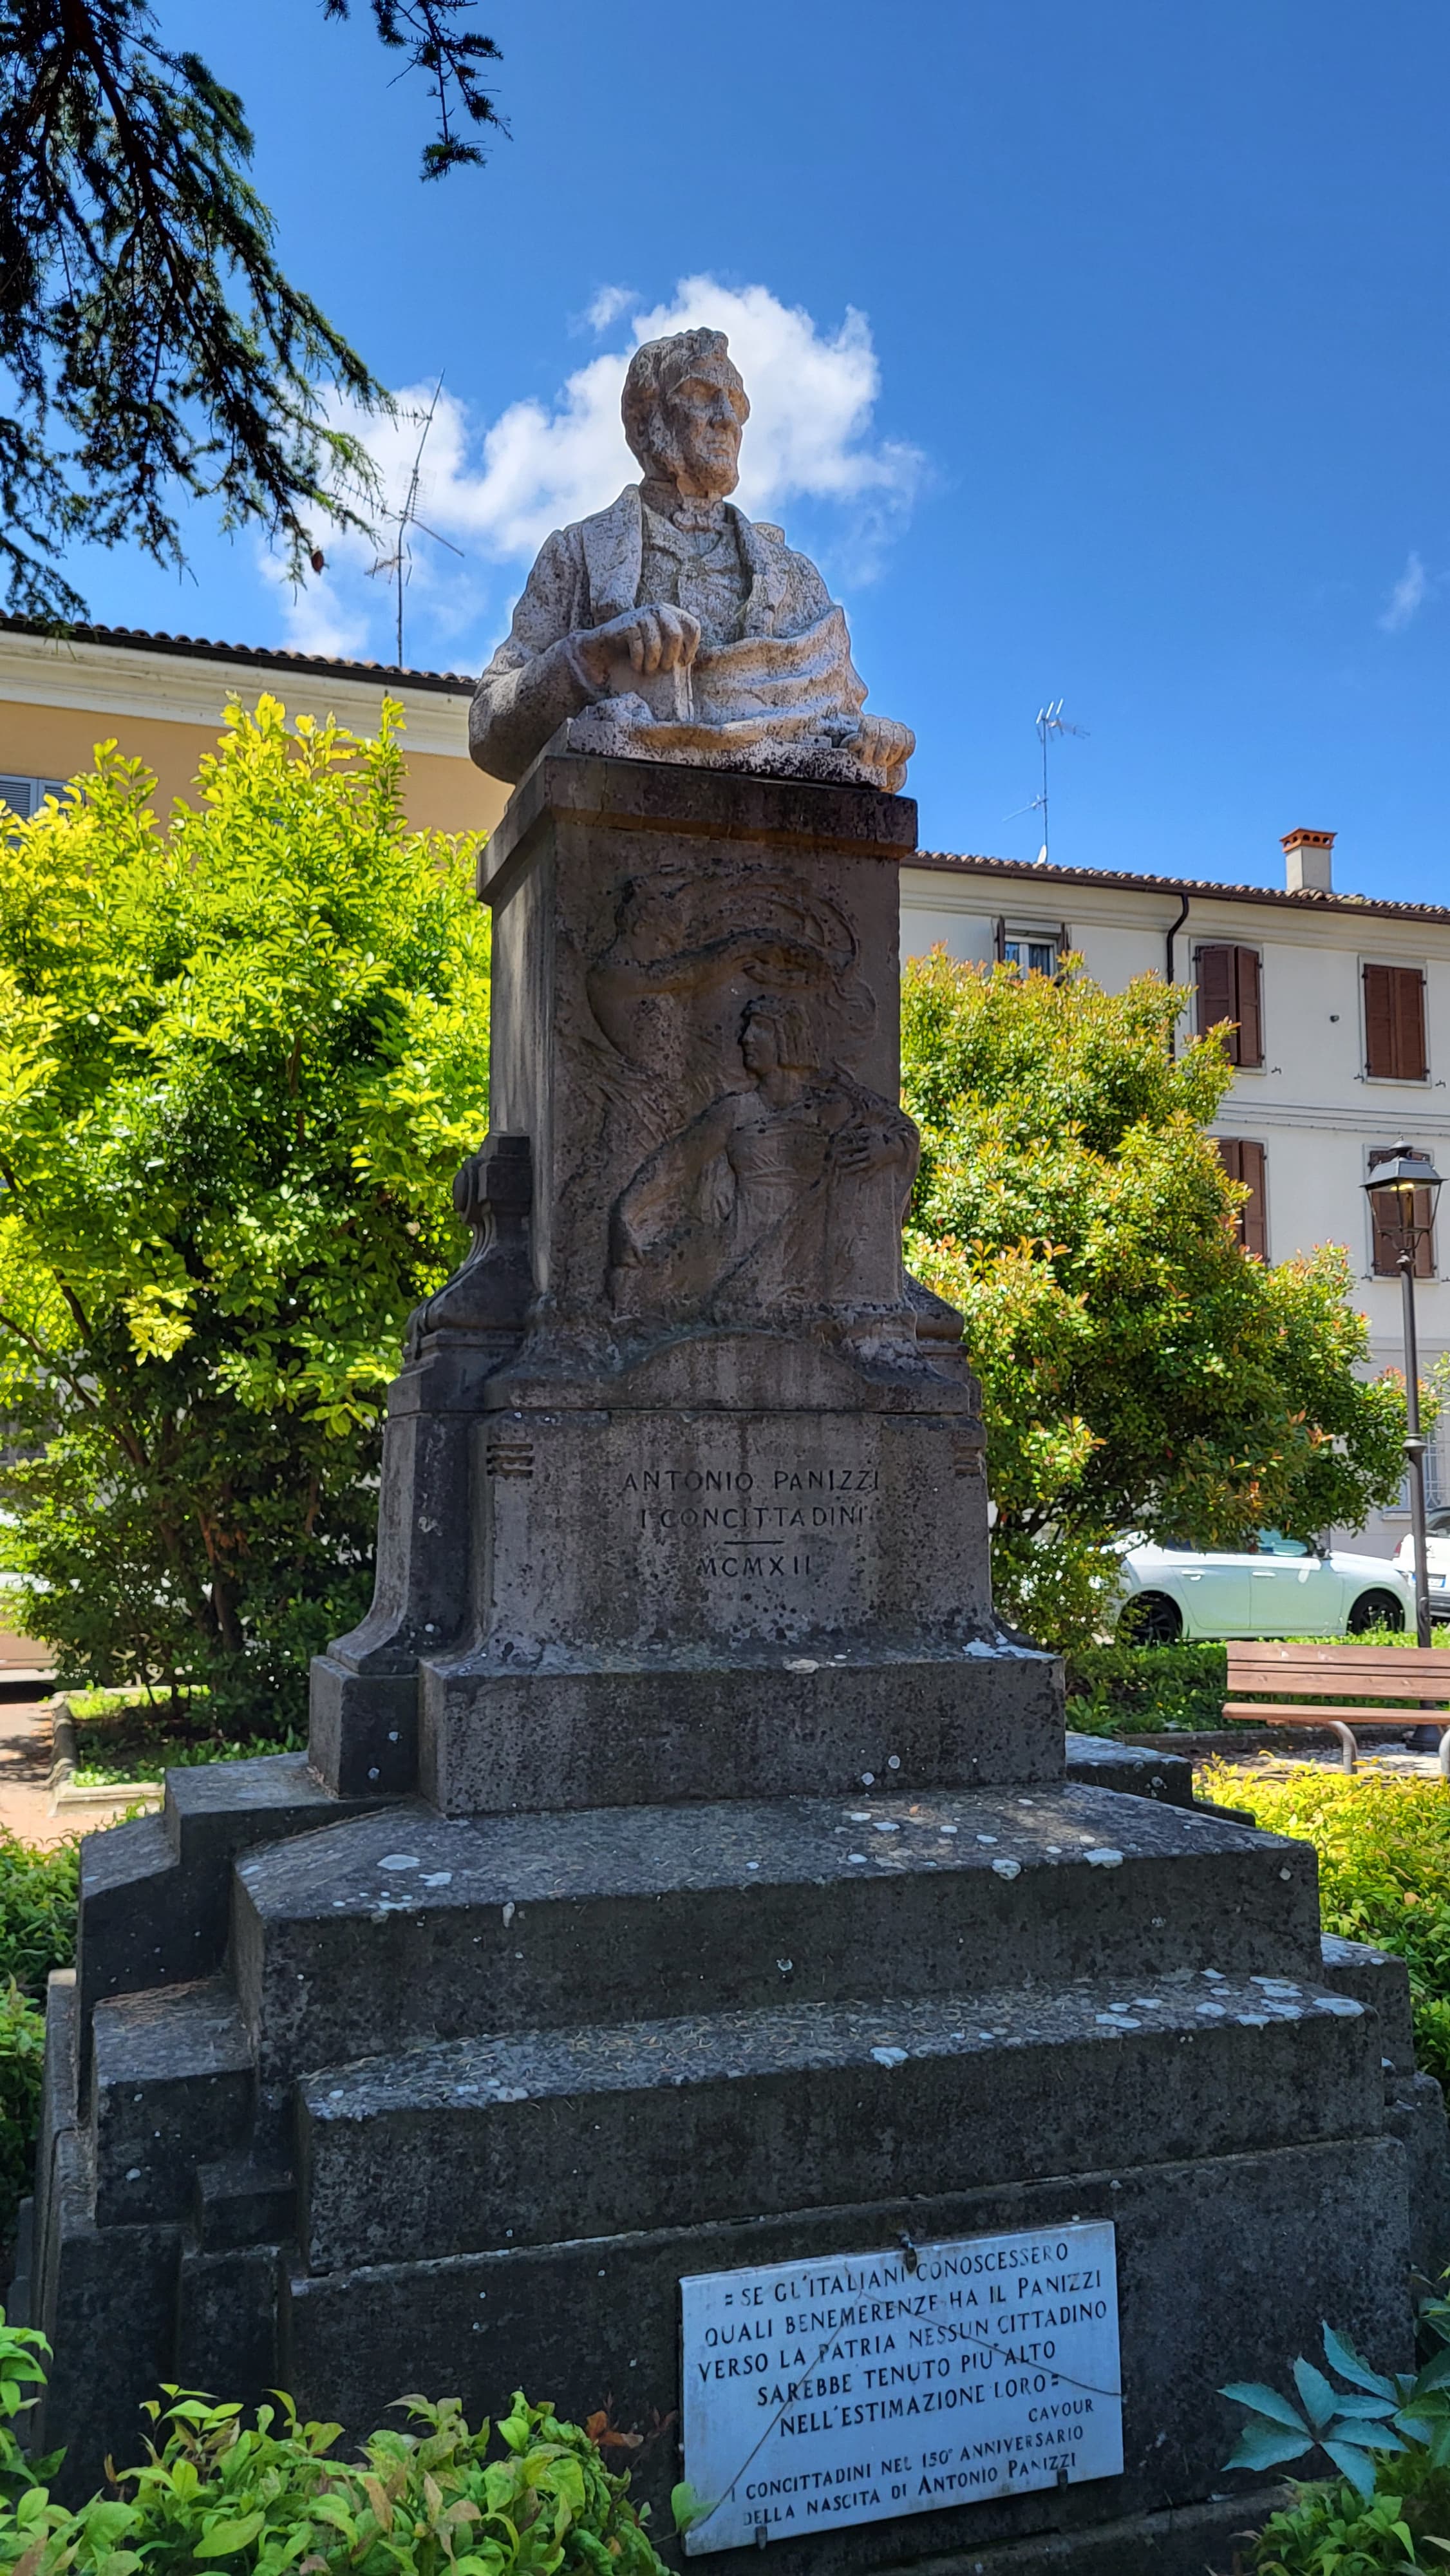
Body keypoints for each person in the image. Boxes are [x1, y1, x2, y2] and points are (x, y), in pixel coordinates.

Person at [469, 328, 914, 792]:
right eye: (701, 395)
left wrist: (878, 745)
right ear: (646, 422)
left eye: (736, 403)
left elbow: (845, 731)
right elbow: (488, 729)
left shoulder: (795, 579)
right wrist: (594, 655)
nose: (727, 418)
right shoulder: (579, 555)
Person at [609, 994, 919, 1327]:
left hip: (809, 1249)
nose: (747, 1039)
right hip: (741, 1247)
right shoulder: (734, 1111)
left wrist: (890, 1149)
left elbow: (900, 1128)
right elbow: (677, 1163)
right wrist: (626, 1211)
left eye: (760, 1029)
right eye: (747, 1028)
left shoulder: (831, 1107)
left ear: (788, 1037)